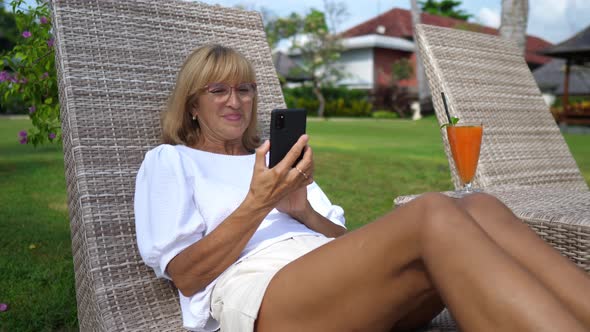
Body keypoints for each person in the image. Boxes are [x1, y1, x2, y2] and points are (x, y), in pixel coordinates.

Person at [134, 44, 590, 332]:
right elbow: (187, 276)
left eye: (246, 89)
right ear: (192, 105)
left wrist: (303, 213)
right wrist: (259, 204)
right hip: (267, 299)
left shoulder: (275, 158)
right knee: (432, 211)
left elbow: (349, 248)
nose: (235, 101)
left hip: (338, 287)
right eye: (218, 90)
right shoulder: (171, 161)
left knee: (482, 207)